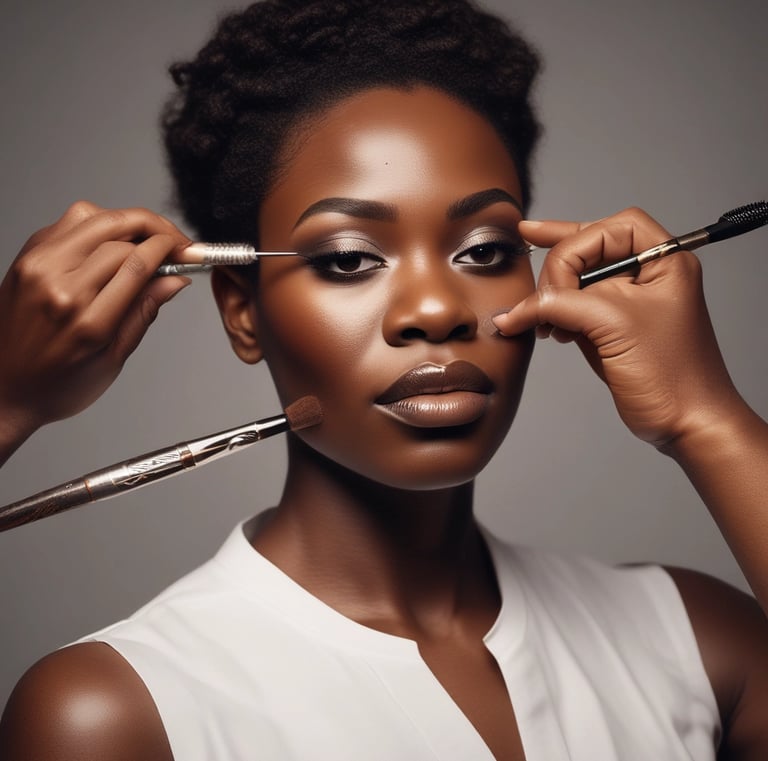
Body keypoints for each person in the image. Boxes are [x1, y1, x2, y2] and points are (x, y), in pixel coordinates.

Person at [0, 0, 767, 759]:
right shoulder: (116, 714)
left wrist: (707, 418)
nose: (437, 308)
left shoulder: (701, 643)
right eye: (346, 259)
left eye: (486, 250)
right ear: (242, 312)